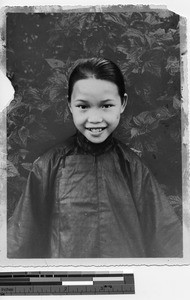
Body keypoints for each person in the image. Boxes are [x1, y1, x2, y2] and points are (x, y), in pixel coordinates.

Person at [7, 57, 182, 258]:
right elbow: (19, 242)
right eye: (83, 106)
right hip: (69, 284)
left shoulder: (132, 167)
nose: (95, 118)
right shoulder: (49, 166)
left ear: (122, 103)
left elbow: (169, 239)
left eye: (106, 105)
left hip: (122, 281)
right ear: (70, 105)